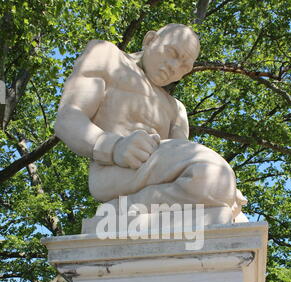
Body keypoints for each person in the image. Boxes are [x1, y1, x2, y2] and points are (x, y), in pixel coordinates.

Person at [55, 23, 246, 221]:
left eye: (184, 67)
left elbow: (181, 161)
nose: (174, 67)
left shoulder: (176, 108)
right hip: (113, 170)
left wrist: (228, 192)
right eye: (171, 52)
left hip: (155, 177)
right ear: (150, 40)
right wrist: (115, 147)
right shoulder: (107, 56)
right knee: (215, 177)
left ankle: (124, 210)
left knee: (232, 207)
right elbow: (68, 118)